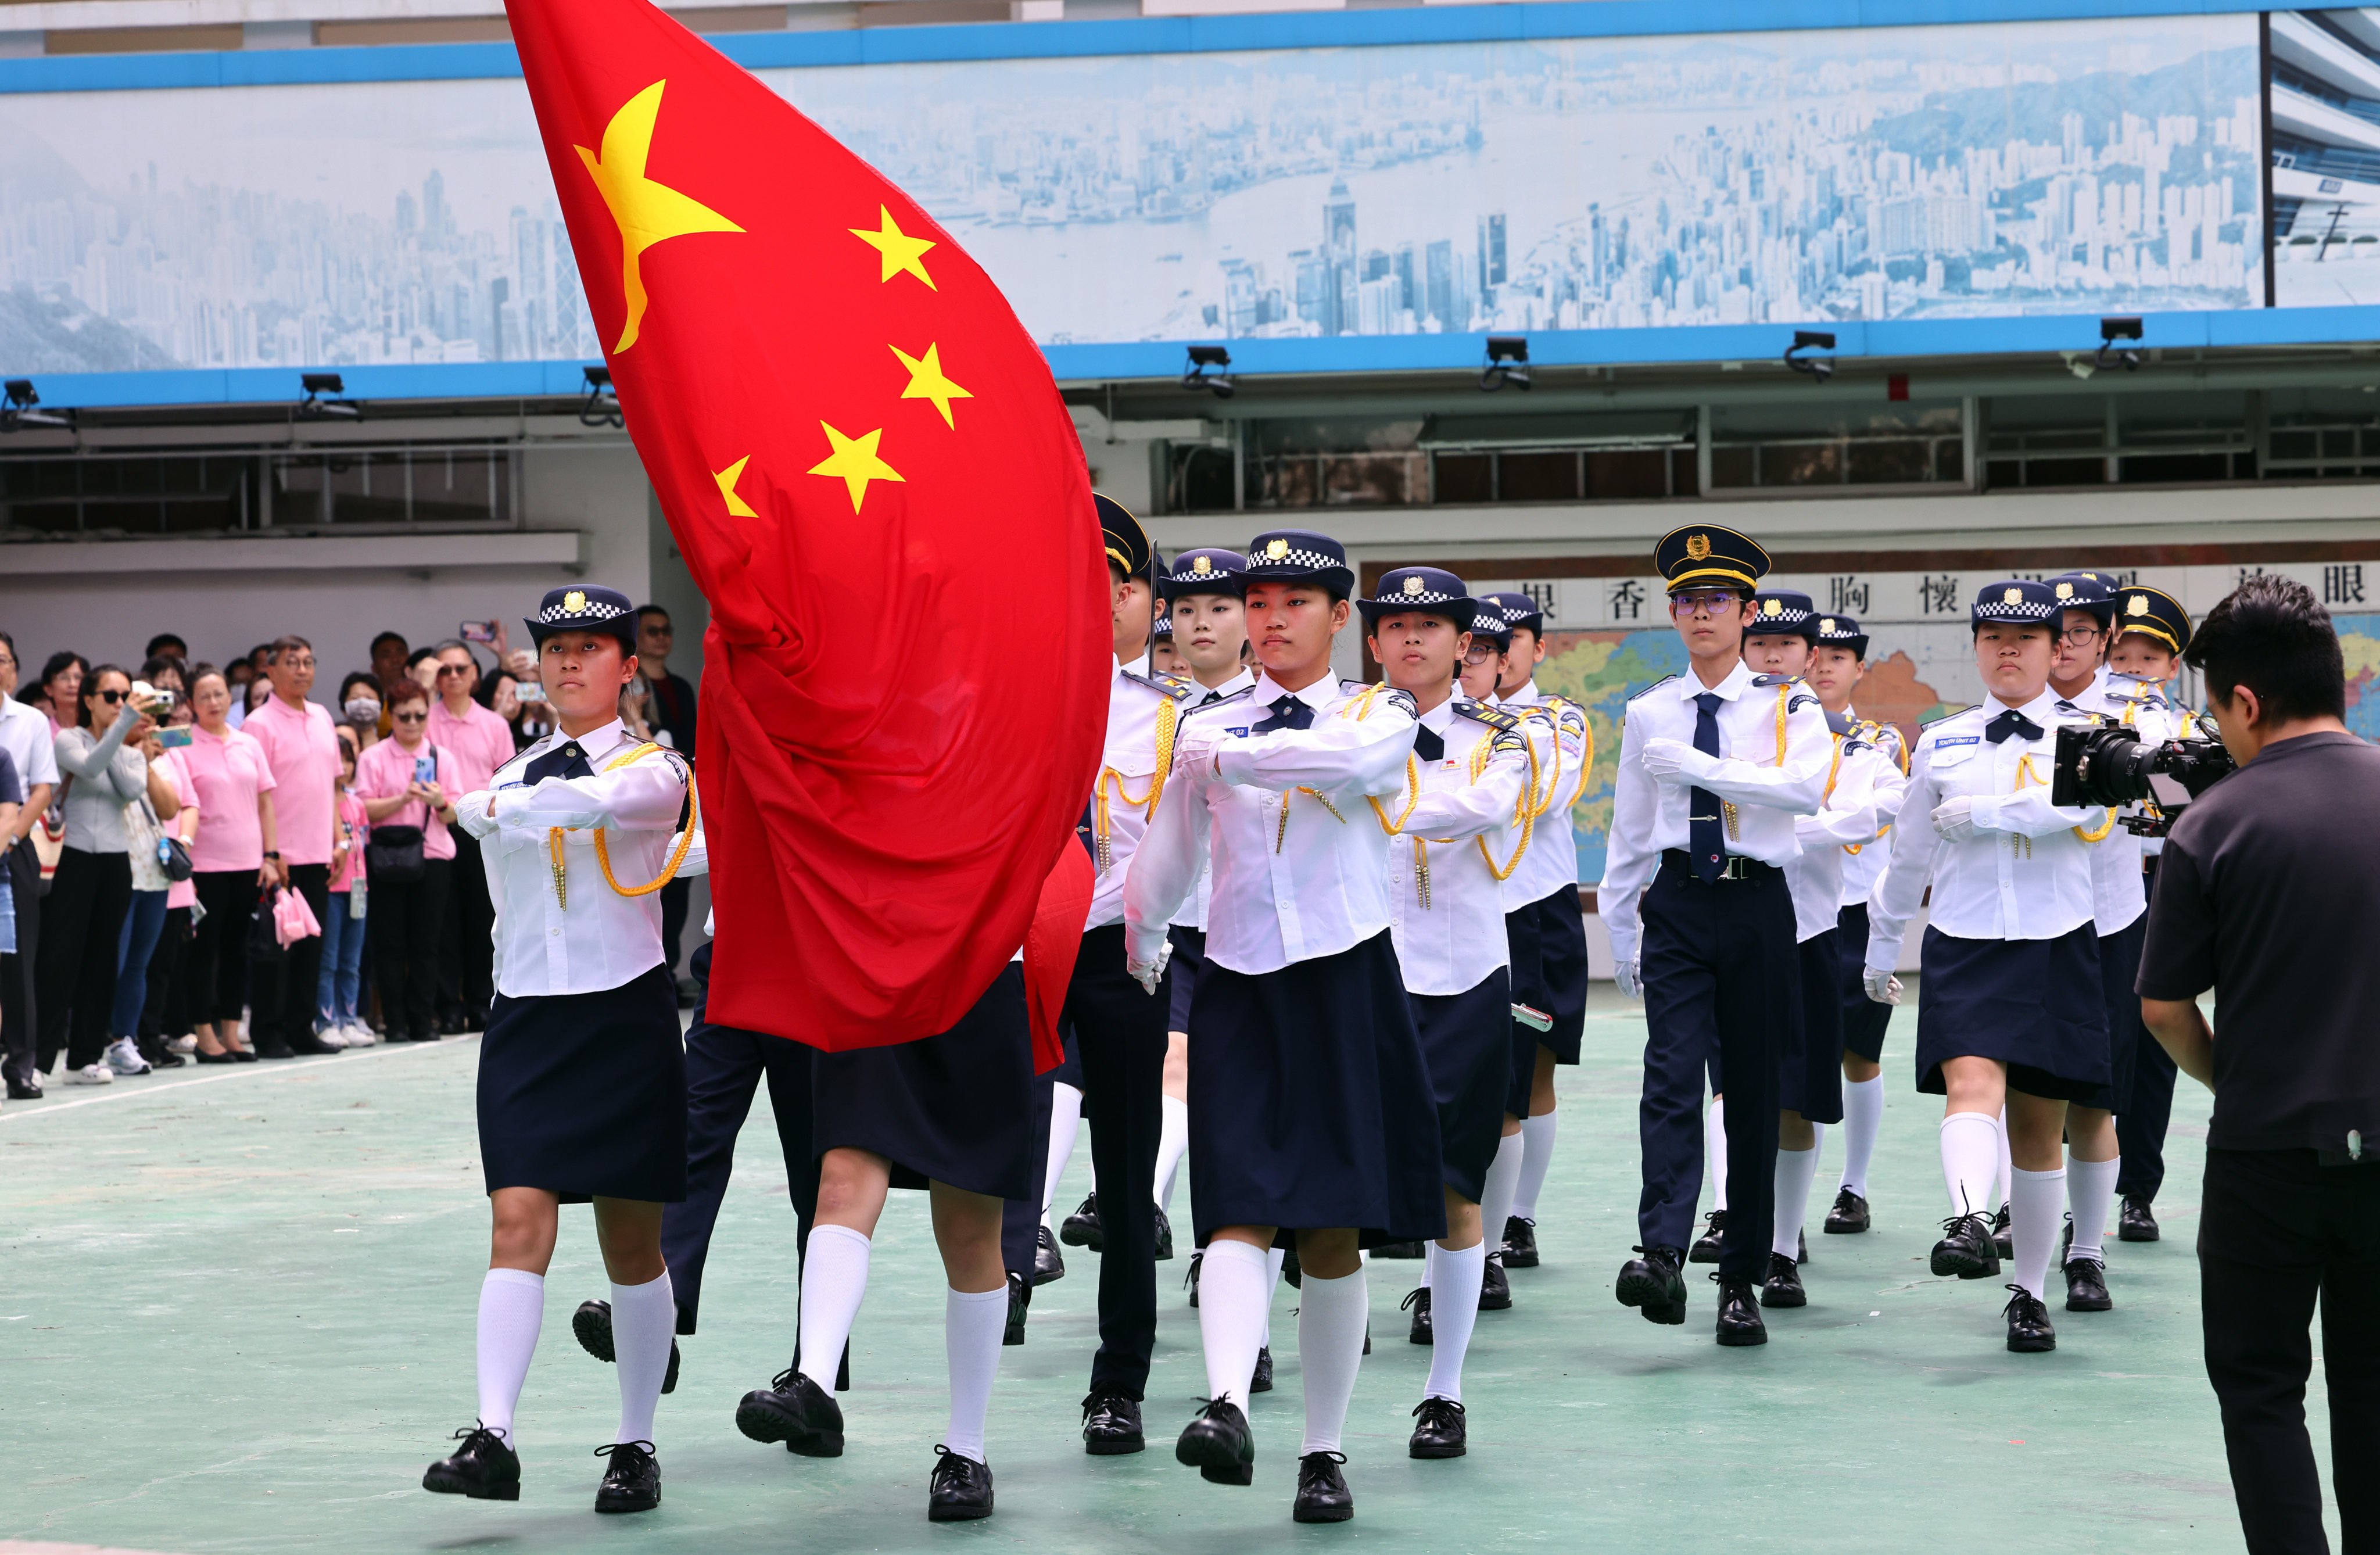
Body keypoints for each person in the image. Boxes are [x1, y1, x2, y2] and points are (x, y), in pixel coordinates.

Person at [1124, 526, 1440, 1524]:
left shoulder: (1375, 709)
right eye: (1255, 604)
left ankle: (1324, 1446)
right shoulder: (1206, 726)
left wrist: (1238, 752)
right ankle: (1223, 1402)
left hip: (1344, 976)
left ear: (1342, 617)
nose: (1267, 621)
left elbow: (1348, 764)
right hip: (1237, 978)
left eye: (1292, 604)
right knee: (1234, 1202)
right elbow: (1171, 844)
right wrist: (1141, 941)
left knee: (1333, 1228)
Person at [423, 585, 700, 1516]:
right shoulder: (518, 769)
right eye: (554, 649)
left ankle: (635, 1442)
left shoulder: (657, 772)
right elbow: (486, 812)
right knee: (516, 1223)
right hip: (529, 1023)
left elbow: (587, 805)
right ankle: (493, 1435)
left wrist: (493, 805)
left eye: (590, 648)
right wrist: (489, 802)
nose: (568, 663)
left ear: (629, 666)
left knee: (632, 1244)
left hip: (623, 1019)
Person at [2134, 574, 2380, 1555]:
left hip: (2264, 1152)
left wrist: (2233, 1076)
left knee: (2262, 1389)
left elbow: (2161, 1008)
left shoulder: (2212, 825)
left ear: (2244, 701)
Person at [1863, 579, 2111, 1356]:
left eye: (2027, 638)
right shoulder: (1941, 741)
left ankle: (2028, 1292)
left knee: (2040, 1130)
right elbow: (1908, 855)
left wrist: (1994, 814)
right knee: (1973, 1086)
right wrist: (1880, 945)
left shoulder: (2091, 734)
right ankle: (1971, 1220)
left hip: (2056, 941)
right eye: (1994, 636)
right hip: (1966, 941)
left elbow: (2088, 812)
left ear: (2054, 649)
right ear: (1976, 646)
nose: (2009, 649)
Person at [1600, 525, 1830, 1349]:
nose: (1704, 613)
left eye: (1719, 600)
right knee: (1669, 1075)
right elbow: (1631, 827)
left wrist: (1700, 770)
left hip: (1757, 904)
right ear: (1674, 611)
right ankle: (1661, 1249)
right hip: (1679, 904)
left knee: (1752, 1092)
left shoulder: (1786, 702)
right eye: (1690, 600)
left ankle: (1742, 1277)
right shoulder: (1650, 710)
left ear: (1747, 612)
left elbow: (1803, 789)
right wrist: (1621, 928)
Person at [1361, 565, 1538, 1460]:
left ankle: (1446, 1391)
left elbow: (1484, 808)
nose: (1413, 639)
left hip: (1466, 977)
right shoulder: (1341, 727)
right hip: (1358, 974)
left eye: (1433, 626)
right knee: (1335, 1185)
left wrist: (1370, 795)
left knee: (1453, 1188)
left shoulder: (1502, 736)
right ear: (1373, 642)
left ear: (1466, 644)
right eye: (1395, 625)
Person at [1737, 592, 1887, 1308]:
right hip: (1730, 926)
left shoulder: (1861, 743)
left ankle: (1784, 1241)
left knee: (1807, 1089)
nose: (1783, 658)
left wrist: (1781, 831)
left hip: (1815, 926)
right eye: (1760, 643)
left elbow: (1872, 809)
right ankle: (1735, 1221)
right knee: (1732, 1086)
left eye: (1798, 648)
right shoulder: (1719, 729)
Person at [2040, 569, 2157, 1312]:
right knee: (2029, 1087)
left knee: (2096, 1096)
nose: (2062, 647)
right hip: (2027, 922)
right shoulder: (2007, 711)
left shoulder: (2142, 714)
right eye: (2051, 633)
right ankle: (2023, 1214)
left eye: (2081, 632)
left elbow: (2181, 799)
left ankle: (2085, 1251)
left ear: (2108, 638)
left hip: (2111, 918)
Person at [1474, 590, 1592, 1280]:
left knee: (1530, 1070)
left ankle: (1520, 1215)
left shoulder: (1557, 719)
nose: (1501, 652)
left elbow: (1542, 795)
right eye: (1484, 640)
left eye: (1512, 638)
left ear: (1536, 648)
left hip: (1533, 913)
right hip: (1458, 912)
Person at [1150, 549, 1259, 1302]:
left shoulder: (1286, 709)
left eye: (1217, 608)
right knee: (1184, 1076)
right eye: (1185, 611)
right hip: (1184, 932)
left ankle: (1250, 1276)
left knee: (1250, 1112)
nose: (1199, 625)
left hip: (1264, 942)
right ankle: (1167, 1214)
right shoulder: (1168, 715)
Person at [1795, 612, 1909, 1235]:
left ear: (1859, 669)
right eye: (1815, 653)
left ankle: (1853, 1187)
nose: (1823, 665)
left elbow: (1870, 811)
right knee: (1801, 1053)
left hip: (1859, 909)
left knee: (1857, 1053)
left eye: (1839, 657)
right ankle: (1790, 1202)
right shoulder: (1775, 735)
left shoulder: (1879, 741)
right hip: (1797, 909)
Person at [2108, 586, 2196, 1244]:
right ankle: (2046, 1188)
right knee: (2081, 1037)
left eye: (2149, 657)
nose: (2133, 668)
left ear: (2171, 667)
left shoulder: (2191, 730)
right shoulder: (2075, 722)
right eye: (2123, 654)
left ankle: (2137, 1190)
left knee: (2151, 1044)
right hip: (2090, 891)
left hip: (2161, 890)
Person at [38, 667, 174, 1085]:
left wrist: (119, 735)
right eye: (111, 697)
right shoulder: (67, 739)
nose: (120, 704)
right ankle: (39, 1062)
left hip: (116, 862)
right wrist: (121, 731)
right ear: (90, 701)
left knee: (102, 961)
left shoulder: (132, 751)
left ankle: (83, 1059)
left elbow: (131, 790)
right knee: (61, 960)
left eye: (125, 697)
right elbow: (91, 766)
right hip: (75, 858)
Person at [242, 636, 343, 1059]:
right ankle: (268, 1032)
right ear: (270, 671)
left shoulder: (321, 716)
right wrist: (271, 851)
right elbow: (254, 795)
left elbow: (335, 785)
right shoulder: (258, 724)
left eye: (308, 662)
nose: (302, 670)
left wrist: (339, 841)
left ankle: (303, 1028)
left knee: (310, 948)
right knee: (276, 949)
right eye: (291, 662)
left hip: (319, 850)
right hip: (279, 855)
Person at [182, 664, 277, 1063]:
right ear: (190, 704)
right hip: (203, 867)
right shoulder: (182, 744)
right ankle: (204, 1035)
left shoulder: (247, 743)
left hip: (247, 864)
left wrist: (271, 856)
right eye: (204, 696)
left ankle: (232, 1033)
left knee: (238, 952)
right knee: (204, 953)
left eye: (219, 694)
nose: (213, 703)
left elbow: (265, 802)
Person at [357, 682, 461, 1045]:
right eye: (404, 716)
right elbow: (364, 810)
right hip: (386, 857)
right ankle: (396, 1021)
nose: (413, 723)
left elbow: (453, 815)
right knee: (389, 943)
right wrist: (403, 798)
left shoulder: (441, 758)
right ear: (391, 715)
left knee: (427, 944)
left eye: (420, 715)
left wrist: (436, 800)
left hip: (432, 856)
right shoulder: (373, 757)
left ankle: (423, 1019)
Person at [430, 641, 512, 1034]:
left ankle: (481, 1001)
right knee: (444, 924)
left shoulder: (494, 724)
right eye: (445, 670)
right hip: (439, 827)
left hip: (483, 830)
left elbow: (507, 783)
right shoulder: (424, 719)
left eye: (462, 669)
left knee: (484, 919)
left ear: (475, 675)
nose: (454, 676)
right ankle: (448, 1005)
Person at [114, 707, 198, 1071]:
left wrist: (147, 762)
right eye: (138, 712)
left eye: (152, 714)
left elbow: (170, 807)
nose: (146, 721)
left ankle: (126, 1041)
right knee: (113, 963)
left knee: (139, 965)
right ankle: (94, 1041)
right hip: (117, 870)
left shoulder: (162, 758)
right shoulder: (108, 751)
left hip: (154, 873)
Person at [0, 629, 60, 1099]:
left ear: (14, 669)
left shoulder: (29, 722)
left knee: (18, 962)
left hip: (14, 842)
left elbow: (42, 787)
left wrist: (12, 835)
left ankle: (21, 1063)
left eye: (1, 659)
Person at [317, 728, 372, 1047]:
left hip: (358, 890)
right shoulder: (321, 805)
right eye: (339, 761)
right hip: (331, 891)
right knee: (329, 960)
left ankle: (349, 1019)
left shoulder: (357, 804)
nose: (344, 767)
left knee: (352, 961)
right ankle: (327, 1020)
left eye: (349, 760)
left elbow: (363, 843)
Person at [26, 652, 87, 733]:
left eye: (78, 677)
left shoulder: (100, 730)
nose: (73, 684)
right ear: (49, 689)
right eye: (64, 677)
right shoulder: (41, 733)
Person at [338, 672, 384, 754]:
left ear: (380, 708)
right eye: (355, 698)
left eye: (369, 698)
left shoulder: (389, 750)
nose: (362, 702)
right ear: (344, 708)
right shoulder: (336, 748)